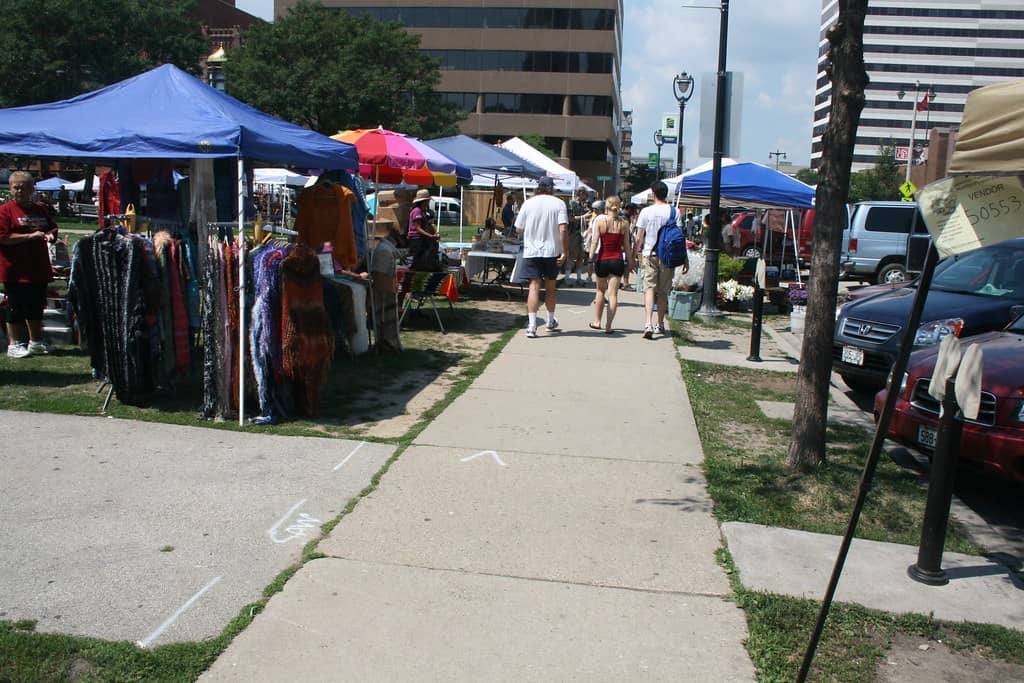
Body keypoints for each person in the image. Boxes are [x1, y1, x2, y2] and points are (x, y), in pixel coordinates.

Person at [0, 172, 58, 358]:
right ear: (10, 189)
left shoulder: (40, 209)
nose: (19, 191)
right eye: (16, 187)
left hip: (38, 267)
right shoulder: (5, 211)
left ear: (32, 189)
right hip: (15, 269)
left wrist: (50, 235)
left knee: (36, 305)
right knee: (15, 306)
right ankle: (14, 344)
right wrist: (29, 237)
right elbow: (3, 238)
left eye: (24, 187)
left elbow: (52, 228)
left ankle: (36, 341)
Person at [515, 176, 568, 338]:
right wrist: (565, 250)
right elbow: (563, 228)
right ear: (551, 188)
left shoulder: (528, 203)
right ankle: (550, 321)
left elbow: (518, 228)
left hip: (532, 250)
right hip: (551, 251)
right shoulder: (559, 203)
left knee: (534, 287)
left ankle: (532, 325)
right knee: (551, 288)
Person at [634, 180, 679, 339]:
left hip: (649, 254)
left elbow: (639, 237)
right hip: (667, 256)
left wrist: (634, 254)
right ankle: (660, 324)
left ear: (653, 193)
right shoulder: (674, 212)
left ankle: (648, 323)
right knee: (663, 292)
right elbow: (679, 237)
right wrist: (684, 259)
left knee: (649, 289)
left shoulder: (646, 212)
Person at [588, 196, 634, 333]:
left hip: (603, 259)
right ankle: (608, 326)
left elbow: (595, 242)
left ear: (606, 206)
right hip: (617, 260)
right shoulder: (624, 223)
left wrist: (590, 257)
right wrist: (631, 262)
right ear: (619, 206)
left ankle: (597, 321)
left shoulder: (600, 221)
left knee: (600, 291)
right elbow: (627, 246)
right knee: (613, 294)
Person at [407, 188, 440, 270]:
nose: (428, 203)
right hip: (416, 239)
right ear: (424, 201)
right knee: (418, 259)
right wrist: (430, 236)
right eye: (427, 201)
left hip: (421, 238)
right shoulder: (417, 211)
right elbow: (418, 228)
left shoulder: (423, 211)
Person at [564, 187, 589, 286]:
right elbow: (570, 218)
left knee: (581, 256)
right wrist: (584, 217)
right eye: (583, 194)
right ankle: (567, 277)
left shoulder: (584, 205)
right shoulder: (572, 203)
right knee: (571, 256)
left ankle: (579, 277)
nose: (585, 196)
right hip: (573, 233)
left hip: (581, 233)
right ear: (579, 194)